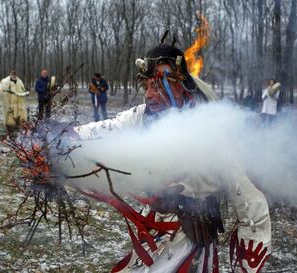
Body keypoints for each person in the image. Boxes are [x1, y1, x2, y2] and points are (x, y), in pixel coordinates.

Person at [70, 41, 271, 273]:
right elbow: (108, 129)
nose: (148, 96)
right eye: (146, 86)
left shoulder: (212, 128)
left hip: (191, 239)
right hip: (155, 234)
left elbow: (249, 201)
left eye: (157, 86)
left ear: (180, 85)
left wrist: (248, 264)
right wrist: (62, 140)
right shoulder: (142, 116)